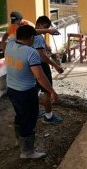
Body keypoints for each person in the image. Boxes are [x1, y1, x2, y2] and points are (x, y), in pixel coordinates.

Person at [5, 25, 59, 159]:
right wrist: (51, 91)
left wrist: (46, 30)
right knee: (28, 119)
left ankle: (19, 140)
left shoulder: (10, 44)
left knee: (20, 115)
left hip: (11, 90)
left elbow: (9, 34)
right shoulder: (31, 52)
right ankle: (27, 152)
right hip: (26, 93)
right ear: (31, 38)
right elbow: (40, 77)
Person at [32, 16, 64, 124]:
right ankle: (49, 117)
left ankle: (34, 112)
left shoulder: (31, 34)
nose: (46, 30)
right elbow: (42, 56)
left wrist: (46, 46)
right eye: (45, 27)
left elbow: (40, 50)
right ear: (39, 24)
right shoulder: (38, 37)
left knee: (35, 89)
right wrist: (56, 65)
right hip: (41, 65)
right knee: (46, 91)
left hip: (32, 66)